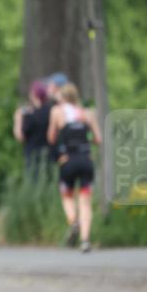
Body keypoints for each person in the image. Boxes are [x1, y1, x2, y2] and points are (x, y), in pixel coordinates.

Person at [47, 82, 102, 253]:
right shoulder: (87, 113)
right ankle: (85, 240)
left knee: (67, 196)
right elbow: (98, 139)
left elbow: (51, 137)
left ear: (62, 97)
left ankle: (73, 221)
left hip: (68, 161)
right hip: (86, 160)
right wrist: (86, 136)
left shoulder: (57, 111)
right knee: (85, 202)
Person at [13, 80, 53, 178]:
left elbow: (20, 137)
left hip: (33, 155)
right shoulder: (51, 111)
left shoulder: (30, 115)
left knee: (34, 182)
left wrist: (18, 119)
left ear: (34, 95)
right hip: (50, 154)